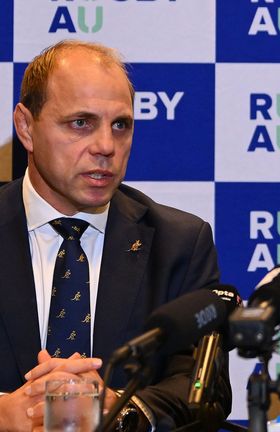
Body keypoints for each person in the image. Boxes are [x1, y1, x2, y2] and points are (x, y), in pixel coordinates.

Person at [0, 40, 231, 431]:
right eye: (81, 123)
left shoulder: (180, 244)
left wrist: (121, 408)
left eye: (120, 125)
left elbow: (203, 387)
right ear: (26, 127)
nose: (107, 146)